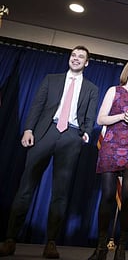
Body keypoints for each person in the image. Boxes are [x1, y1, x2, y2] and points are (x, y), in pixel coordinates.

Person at [0, 45, 99, 258]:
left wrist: (86, 134)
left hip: (71, 136)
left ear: (87, 63)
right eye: (73, 55)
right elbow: (36, 105)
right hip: (44, 133)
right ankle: (10, 239)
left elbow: (90, 116)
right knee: (26, 186)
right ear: (69, 59)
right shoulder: (50, 79)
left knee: (60, 193)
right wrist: (28, 129)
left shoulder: (91, 88)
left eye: (81, 57)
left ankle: (51, 242)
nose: (76, 59)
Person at [88, 58, 128, 260]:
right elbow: (101, 119)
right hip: (112, 145)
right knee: (107, 194)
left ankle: (122, 247)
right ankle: (101, 247)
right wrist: (122, 116)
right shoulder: (114, 90)